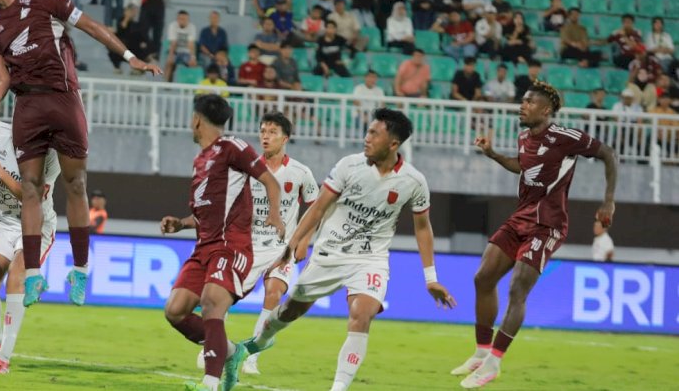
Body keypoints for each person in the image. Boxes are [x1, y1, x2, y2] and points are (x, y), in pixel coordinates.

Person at [0, 0, 162, 308]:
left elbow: (90, 25)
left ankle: (81, 270)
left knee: (76, 185)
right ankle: (32, 276)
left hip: (64, 99)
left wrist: (129, 56)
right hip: (27, 106)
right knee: (30, 189)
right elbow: (2, 79)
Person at [232, 107, 455, 391]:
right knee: (289, 311)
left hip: (370, 259)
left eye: (374, 133)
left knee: (363, 314)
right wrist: (293, 245)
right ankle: (258, 343)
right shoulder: (349, 166)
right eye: (367, 131)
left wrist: (430, 277)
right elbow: (318, 208)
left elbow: (423, 227)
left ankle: (338, 388)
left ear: (394, 144)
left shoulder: (413, 181)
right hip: (329, 254)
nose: (366, 138)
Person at [457, 81, 617, 388]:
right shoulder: (523, 137)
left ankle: (493, 363)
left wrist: (608, 200)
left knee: (517, 290)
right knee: (483, 278)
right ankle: (480, 352)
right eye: (523, 101)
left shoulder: (564, 137)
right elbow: (522, 166)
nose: (522, 105)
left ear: (545, 110)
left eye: (529, 102)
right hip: (520, 218)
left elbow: (608, 153)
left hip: (549, 225)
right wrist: (492, 154)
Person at [160, 94, 284, 391]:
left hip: (231, 245)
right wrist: (182, 223)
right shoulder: (200, 160)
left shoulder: (233, 147)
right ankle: (231, 351)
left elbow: (270, 180)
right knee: (175, 311)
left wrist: (276, 216)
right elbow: (208, 210)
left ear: (196, 119)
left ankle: (210, 384)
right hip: (203, 247)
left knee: (211, 303)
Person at [0, 117, 61, 374]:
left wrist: (0, 172)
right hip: (4, 222)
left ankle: (3, 359)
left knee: (16, 280)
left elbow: (34, 198)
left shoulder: (50, 156)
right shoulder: (0, 130)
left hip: (36, 226)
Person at [233, 112, 319, 376]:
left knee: (274, 293)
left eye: (272, 132)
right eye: (262, 131)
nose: (265, 136)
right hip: (249, 246)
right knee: (227, 295)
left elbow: (316, 206)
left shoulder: (300, 172)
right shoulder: (248, 168)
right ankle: (211, 346)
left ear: (285, 138)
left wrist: (304, 240)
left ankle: (251, 356)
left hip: (282, 249)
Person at [109, 4, 148, 72]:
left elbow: (141, 35)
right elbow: (122, 28)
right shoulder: (121, 20)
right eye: (132, 11)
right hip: (122, 45)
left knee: (142, 48)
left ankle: (137, 68)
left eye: (135, 11)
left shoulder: (138, 23)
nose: (134, 13)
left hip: (134, 46)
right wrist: (127, 17)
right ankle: (117, 67)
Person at [166, 10, 199, 81]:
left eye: (184, 19)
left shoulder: (192, 27)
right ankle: (166, 86)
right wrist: (170, 56)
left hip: (186, 52)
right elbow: (173, 43)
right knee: (169, 63)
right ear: (177, 19)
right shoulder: (172, 26)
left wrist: (193, 57)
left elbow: (191, 44)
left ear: (188, 20)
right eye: (180, 19)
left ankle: (189, 86)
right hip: (174, 51)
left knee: (193, 64)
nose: (182, 21)